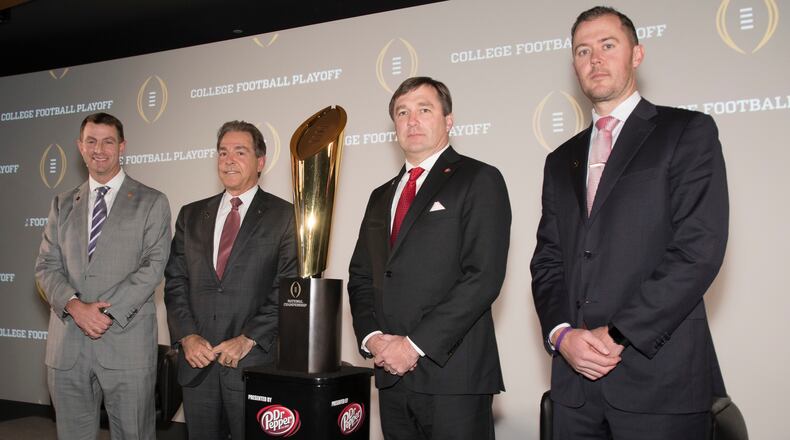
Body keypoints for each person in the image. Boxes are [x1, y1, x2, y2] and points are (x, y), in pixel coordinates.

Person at [530, 6, 729, 439]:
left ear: (637, 54)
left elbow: (698, 249)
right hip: (574, 391)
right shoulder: (559, 159)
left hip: (660, 383)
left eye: (607, 45)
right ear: (574, 66)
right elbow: (547, 261)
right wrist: (562, 335)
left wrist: (618, 333)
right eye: (583, 51)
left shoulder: (686, 131)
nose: (594, 59)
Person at [348, 76, 511, 440]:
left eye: (424, 110)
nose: (412, 120)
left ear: (448, 120)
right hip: (391, 376)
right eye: (402, 113)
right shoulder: (380, 195)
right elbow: (361, 277)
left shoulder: (479, 178)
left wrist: (413, 345)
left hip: (453, 377)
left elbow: (482, 276)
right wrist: (373, 337)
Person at [35, 112, 171, 439]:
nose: (99, 149)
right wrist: (76, 308)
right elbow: (45, 267)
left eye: (108, 141)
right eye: (91, 141)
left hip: (126, 346)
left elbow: (153, 265)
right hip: (68, 347)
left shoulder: (151, 202)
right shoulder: (62, 203)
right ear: (80, 147)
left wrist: (104, 313)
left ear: (122, 147)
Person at [164, 120, 297, 439]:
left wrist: (248, 337)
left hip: (253, 364)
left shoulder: (286, 215)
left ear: (260, 162)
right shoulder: (191, 214)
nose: (228, 159)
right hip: (198, 363)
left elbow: (289, 286)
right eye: (223, 152)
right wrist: (187, 336)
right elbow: (175, 281)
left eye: (240, 151)